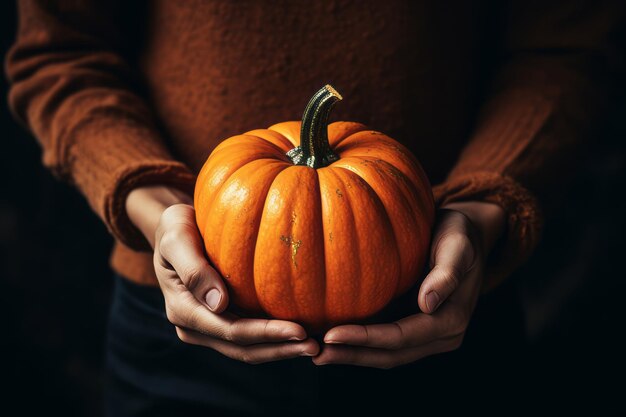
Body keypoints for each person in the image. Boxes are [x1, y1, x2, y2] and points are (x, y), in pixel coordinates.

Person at [5, 0, 624, 415]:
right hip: (179, 326)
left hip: (450, 308)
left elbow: (564, 50)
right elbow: (60, 56)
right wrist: (161, 208)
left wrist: (483, 208)